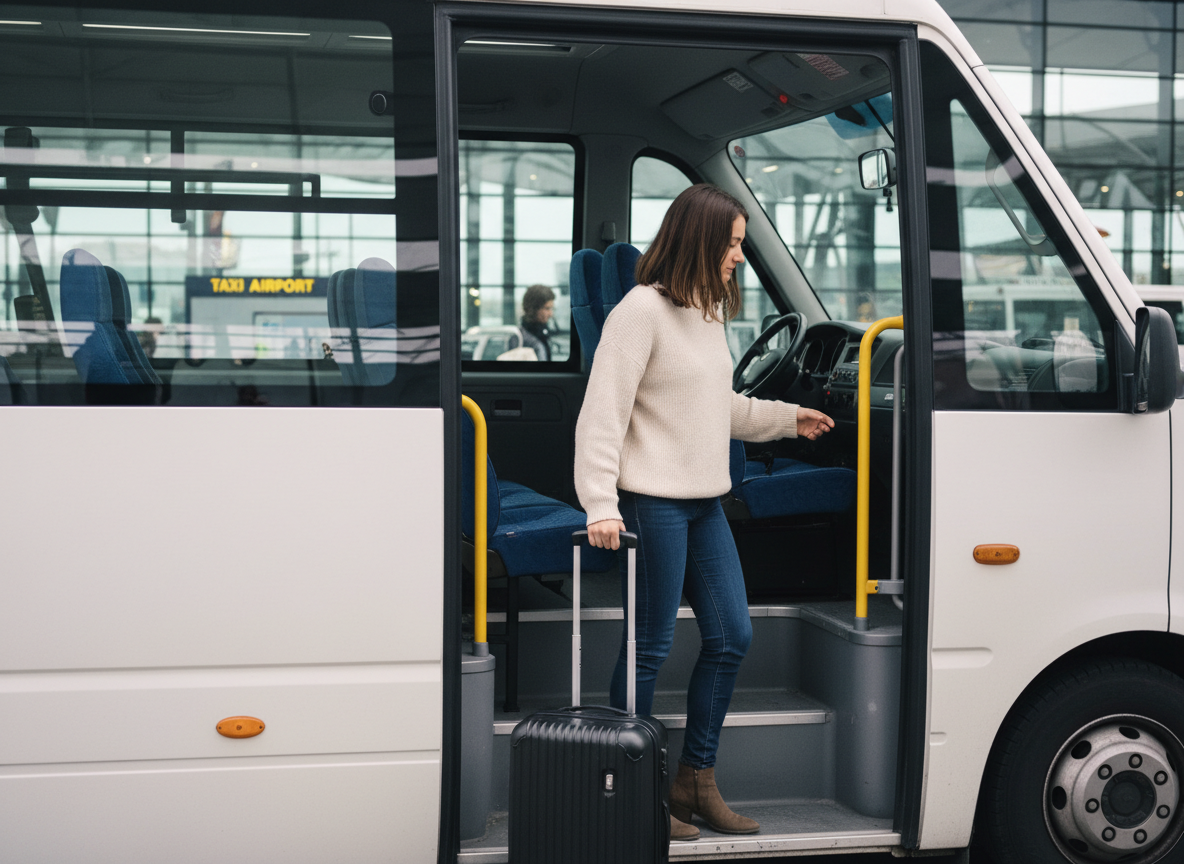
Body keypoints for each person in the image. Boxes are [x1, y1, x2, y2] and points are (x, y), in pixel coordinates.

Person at [574, 184, 834, 842]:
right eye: (733, 244)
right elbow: (602, 416)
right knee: (649, 650)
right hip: (653, 501)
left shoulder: (707, 312)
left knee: (732, 637)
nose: (739, 258)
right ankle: (627, 791)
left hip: (704, 501)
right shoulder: (641, 312)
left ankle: (694, 781)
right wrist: (601, 503)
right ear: (700, 240)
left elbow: (719, 408)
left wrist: (787, 418)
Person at [519, 283, 554, 361]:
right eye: (547, 308)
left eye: (551, 309)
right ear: (533, 309)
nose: (551, 314)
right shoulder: (519, 339)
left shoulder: (543, 335)